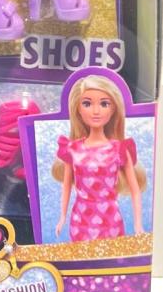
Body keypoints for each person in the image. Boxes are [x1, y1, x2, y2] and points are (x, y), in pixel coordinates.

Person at [53, 75, 146, 242]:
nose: (96, 111)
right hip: (81, 220)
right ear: (78, 109)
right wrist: (62, 218)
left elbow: (135, 190)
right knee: (81, 257)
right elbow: (66, 186)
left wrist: (138, 224)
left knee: (112, 257)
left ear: (113, 109)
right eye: (87, 104)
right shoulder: (72, 149)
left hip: (110, 220)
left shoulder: (119, 149)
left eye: (104, 104)